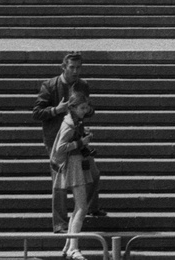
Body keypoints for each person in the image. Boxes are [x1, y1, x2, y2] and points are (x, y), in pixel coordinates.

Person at [33, 53, 105, 232]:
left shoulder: (82, 85)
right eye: (72, 67)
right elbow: (36, 112)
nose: (75, 71)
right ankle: (60, 224)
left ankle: (91, 208)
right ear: (63, 68)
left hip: (77, 138)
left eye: (78, 67)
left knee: (94, 174)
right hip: (56, 139)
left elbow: (87, 109)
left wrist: (86, 113)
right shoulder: (49, 86)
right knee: (59, 183)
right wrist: (56, 110)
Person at [50, 81, 101, 260]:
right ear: (73, 107)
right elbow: (60, 148)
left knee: (79, 207)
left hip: (76, 164)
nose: (85, 111)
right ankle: (73, 247)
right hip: (73, 166)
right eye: (82, 108)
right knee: (81, 208)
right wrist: (81, 143)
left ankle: (68, 245)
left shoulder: (74, 121)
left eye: (86, 108)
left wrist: (82, 135)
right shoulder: (69, 124)